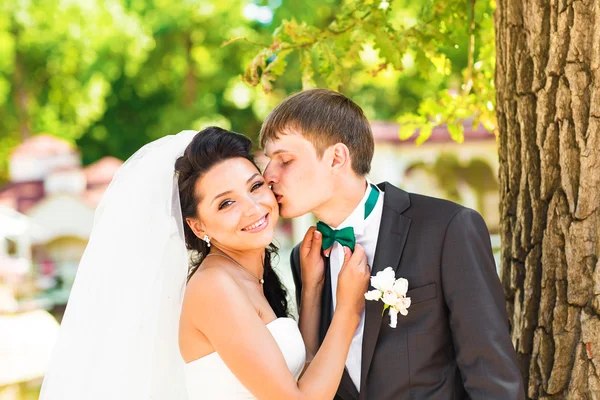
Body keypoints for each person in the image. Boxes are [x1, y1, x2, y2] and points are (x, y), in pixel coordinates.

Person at [39, 127, 370, 400]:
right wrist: (348, 310)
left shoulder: (247, 276)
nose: (254, 208)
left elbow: (301, 373)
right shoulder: (214, 288)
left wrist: (312, 289)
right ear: (198, 225)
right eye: (227, 203)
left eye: (255, 186)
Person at [261, 88, 526, 400]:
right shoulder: (304, 259)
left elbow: (493, 378)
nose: (268, 175)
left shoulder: (447, 229)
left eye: (285, 160)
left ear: (337, 157)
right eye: (269, 161)